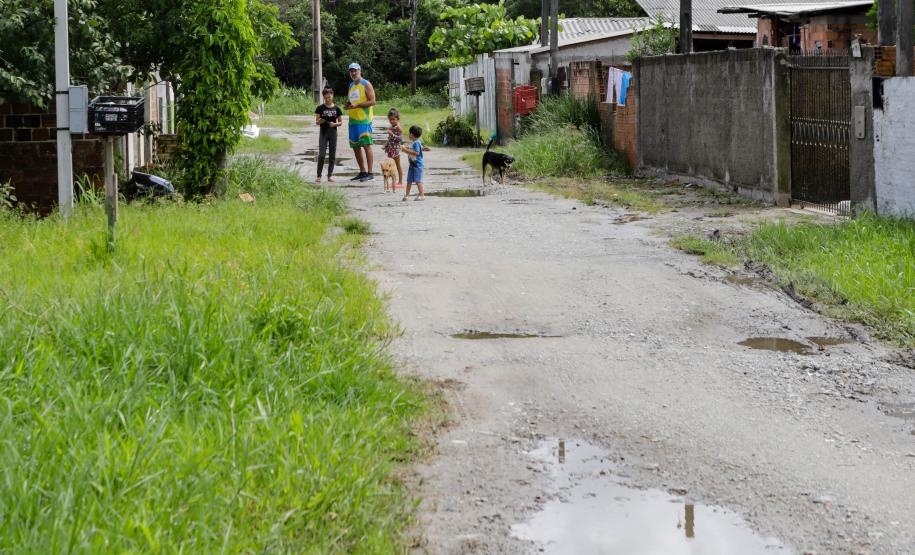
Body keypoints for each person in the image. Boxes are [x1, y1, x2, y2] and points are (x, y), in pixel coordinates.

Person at [344, 63, 376, 182]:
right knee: (356, 147)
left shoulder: (366, 84)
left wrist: (357, 105)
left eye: (355, 71)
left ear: (360, 71)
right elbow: (352, 101)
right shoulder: (351, 85)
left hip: (364, 120)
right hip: (352, 120)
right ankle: (362, 172)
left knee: (366, 145)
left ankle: (370, 172)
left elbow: (373, 101)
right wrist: (348, 106)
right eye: (351, 71)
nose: (353, 73)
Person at [314, 86, 343, 183]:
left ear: (332, 96)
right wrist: (321, 121)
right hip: (323, 133)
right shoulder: (320, 108)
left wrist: (334, 124)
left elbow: (340, 122)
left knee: (332, 155)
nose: (328, 99)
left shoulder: (337, 109)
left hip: (333, 133)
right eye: (326, 97)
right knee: (321, 155)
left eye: (329, 97)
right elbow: (316, 122)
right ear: (323, 97)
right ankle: (318, 176)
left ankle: (329, 175)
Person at [400, 125, 426, 201]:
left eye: (409, 133)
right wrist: (405, 147)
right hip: (412, 165)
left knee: (418, 180)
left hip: (417, 165)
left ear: (412, 134)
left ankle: (422, 195)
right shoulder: (413, 142)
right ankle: (407, 195)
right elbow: (412, 149)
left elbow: (417, 153)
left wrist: (405, 150)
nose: (408, 135)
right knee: (409, 180)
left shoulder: (416, 143)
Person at [384, 108, 405, 188]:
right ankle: (393, 181)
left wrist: (392, 134)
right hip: (390, 149)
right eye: (390, 119)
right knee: (390, 165)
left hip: (396, 150)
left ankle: (400, 182)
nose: (392, 121)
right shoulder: (391, 127)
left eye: (393, 119)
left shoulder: (398, 128)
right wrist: (386, 146)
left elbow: (400, 139)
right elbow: (390, 139)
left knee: (398, 165)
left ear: (397, 119)